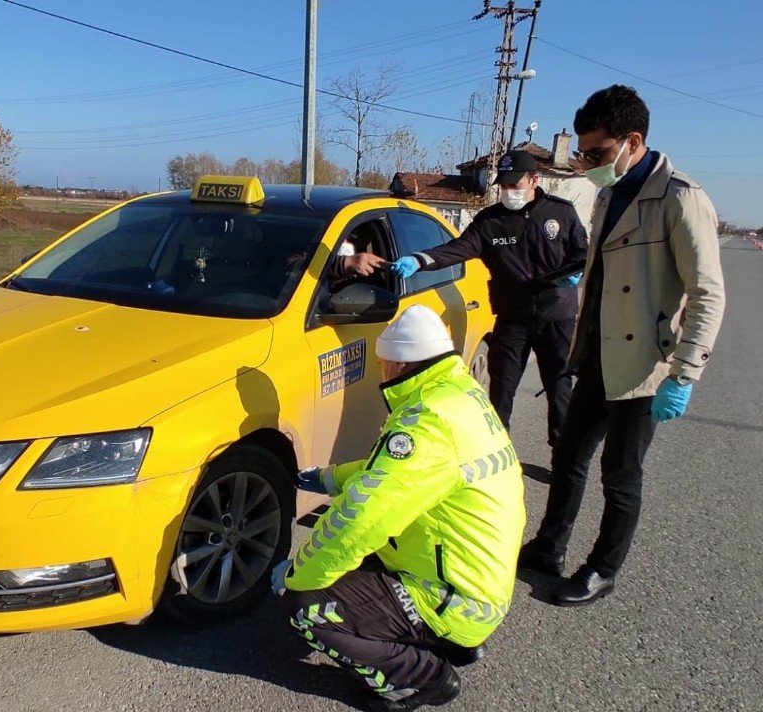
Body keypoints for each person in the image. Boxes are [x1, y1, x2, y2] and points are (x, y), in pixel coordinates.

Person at [519, 85, 726, 606]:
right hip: (596, 355)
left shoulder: (680, 197)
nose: (588, 163)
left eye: (597, 153)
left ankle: (602, 568)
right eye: (585, 153)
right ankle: (550, 545)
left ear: (633, 141)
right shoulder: (610, 193)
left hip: (644, 364)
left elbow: (707, 292)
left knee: (621, 474)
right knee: (568, 456)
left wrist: (684, 374)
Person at [272, 305, 525, 710]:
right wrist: (330, 478)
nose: (380, 371)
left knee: (306, 607)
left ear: (399, 362)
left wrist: (299, 571)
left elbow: (361, 519)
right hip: (468, 576)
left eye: (382, 362)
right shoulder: (453, 396)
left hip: (452, 596)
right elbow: (391, 474)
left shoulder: (426, 424)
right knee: (349, 566)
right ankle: (440, 642)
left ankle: (424, 678)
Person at [389, 151, 589, 450]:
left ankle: (562, 453)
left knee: (560, 387)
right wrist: (420, 259)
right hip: (513, 317)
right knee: (501, 388)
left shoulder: (561, 213)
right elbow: (457, 249)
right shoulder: (490, 222)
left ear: (534, 180)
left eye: (515, 184)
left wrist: (574, 273)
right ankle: (496, 450)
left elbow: (582, 254)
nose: (509, 191)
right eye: (504, 186)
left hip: (556, 315)